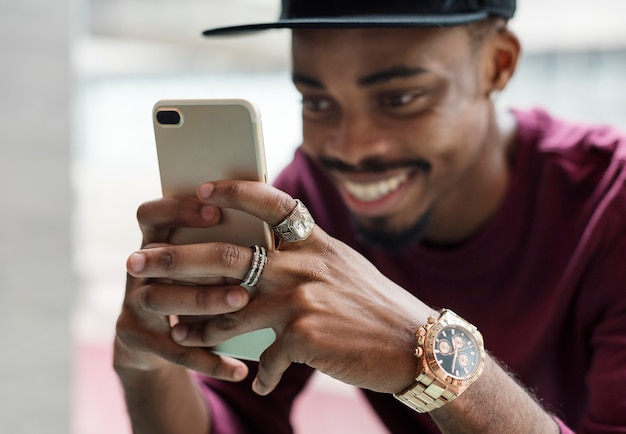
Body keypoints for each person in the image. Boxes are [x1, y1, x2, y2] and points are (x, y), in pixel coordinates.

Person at [114, 1, 626, 433]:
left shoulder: (611, 203)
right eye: (316, 101)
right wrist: (150, 368)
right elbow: (237, 416)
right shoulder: (309, 201)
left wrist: (426, 355)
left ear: (498, 64)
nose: (350, 148)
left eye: (399, 98)